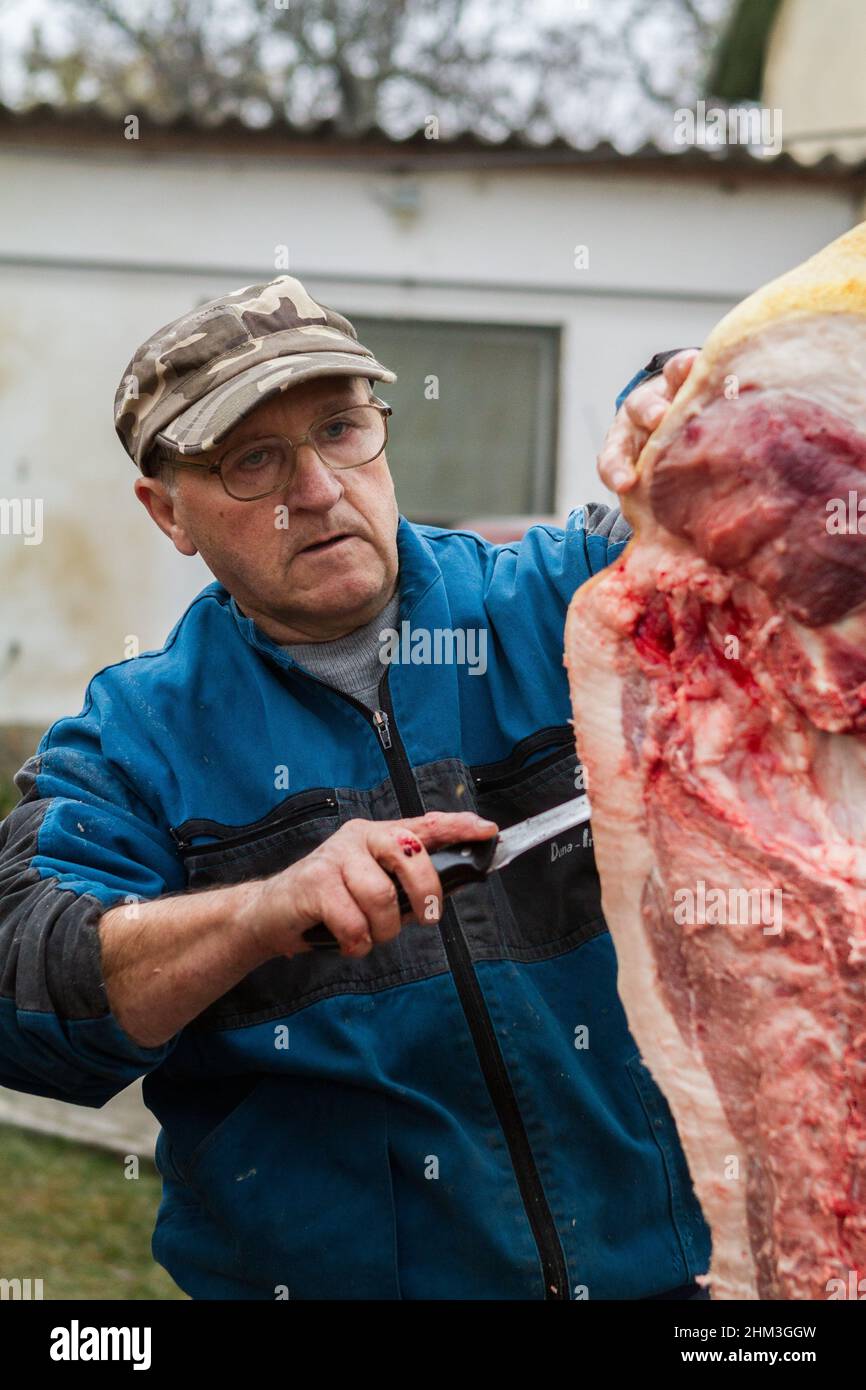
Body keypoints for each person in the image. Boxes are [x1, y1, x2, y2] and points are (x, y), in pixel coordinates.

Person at [0, 274, 706, 1299]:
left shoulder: (568, 601)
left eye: (340, 429)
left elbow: (774, 551)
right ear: (168, 514)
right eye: (252, 461)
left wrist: (696, 403)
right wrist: (260, 911)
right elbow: (25, 994)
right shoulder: (131, 745)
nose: (319, 488)